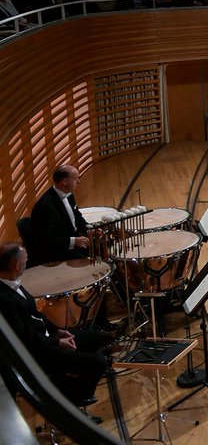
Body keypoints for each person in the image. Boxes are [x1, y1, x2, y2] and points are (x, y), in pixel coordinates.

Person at [0, 243, 110, 407]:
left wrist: (57, 331)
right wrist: (57, 343)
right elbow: (25, 337)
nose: (27, 262)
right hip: (38, 352)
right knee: (98, 363)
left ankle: (66, 378)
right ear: (17, 265)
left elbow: (36, 315)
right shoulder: (3, 298)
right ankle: (72, 401)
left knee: (98, 336)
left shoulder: (13, 283)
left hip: (47, 339)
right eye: (25, 260)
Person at [27, 165, 90, 266]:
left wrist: (91, 229)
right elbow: (46, 240)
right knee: (86, 263)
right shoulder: (45, 206)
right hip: (57, 251)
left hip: (72, 241)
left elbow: (77, 217)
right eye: (75, 179)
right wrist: (74, 241)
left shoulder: (69, 195)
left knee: (101, 247)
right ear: (64, 182)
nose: (78, 181)